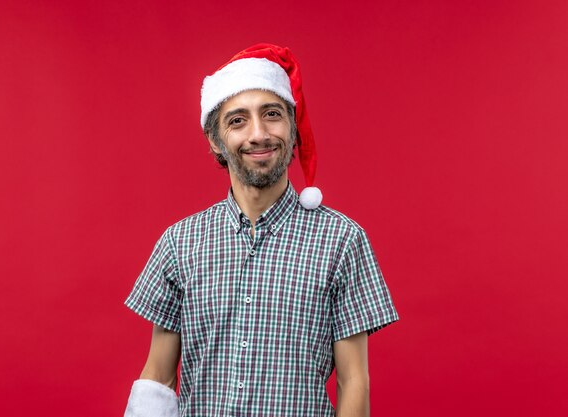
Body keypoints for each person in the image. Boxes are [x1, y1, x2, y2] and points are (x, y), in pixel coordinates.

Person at [123, 43, 398, 417]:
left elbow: (354, 382)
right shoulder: (179, 243)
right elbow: (159, 377)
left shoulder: (342, 241)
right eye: (237, 120)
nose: (258, 134)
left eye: (272, 114)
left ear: (293, 128)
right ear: (215, 140)